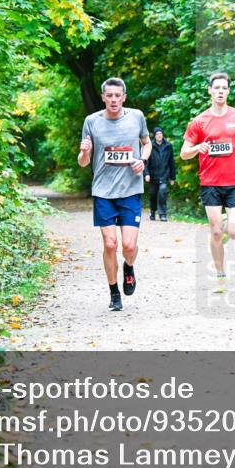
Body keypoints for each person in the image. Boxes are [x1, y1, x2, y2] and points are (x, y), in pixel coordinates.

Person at [180, 72, 235, 288]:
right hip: (210, 183)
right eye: (217, 88)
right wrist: (198, 148)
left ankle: (222, 224)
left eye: (224, 88)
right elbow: (183, 152)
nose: (221, 92)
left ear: (229, 91)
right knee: (216, 232)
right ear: (210, 91)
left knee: (233, 233)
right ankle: (221, 274)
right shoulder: (199, 121)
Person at [78, 77, 151, 311]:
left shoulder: (137, 117)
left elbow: (147, 143)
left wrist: (143, 160)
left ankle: (128, 267)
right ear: (103, 97)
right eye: (109, 95)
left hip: (130, 190)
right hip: (103, 191)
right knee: (110, 244)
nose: (113, 100)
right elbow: (83, 162)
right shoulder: (92, 121)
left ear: (124, 97)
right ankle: (114, 293)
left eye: (118, 95)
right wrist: (84, 152)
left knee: (128, 246)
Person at [144, 127, 176, 220]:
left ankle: (163, 214)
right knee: (153, 194)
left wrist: (172, 177)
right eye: (157, 134)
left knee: (162, 192)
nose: (159, 135)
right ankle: (153, 212)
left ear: (162, 135)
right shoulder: (150, 145)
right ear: (155, 135)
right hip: (153, 175)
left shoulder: (168, 145)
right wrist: (146, 174)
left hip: (164, 174)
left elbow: (171, 162)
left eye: (161, 134)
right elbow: (146, 161)